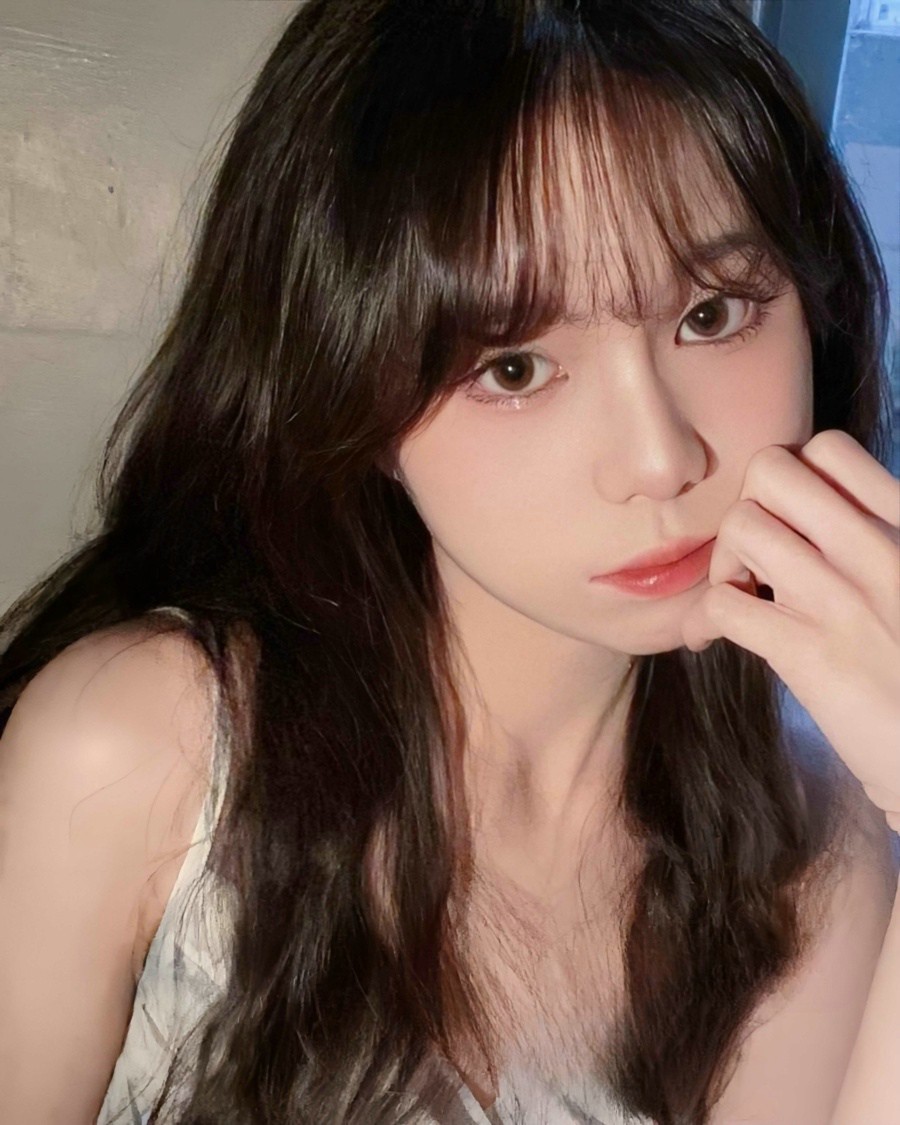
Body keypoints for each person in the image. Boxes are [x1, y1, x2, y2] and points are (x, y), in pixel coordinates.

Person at [1, 0, 898, 1121]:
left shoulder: (815, 851)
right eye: (514, 368)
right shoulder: (145, 752)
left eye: (712, 315)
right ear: (351, 389)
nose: (661, 460)